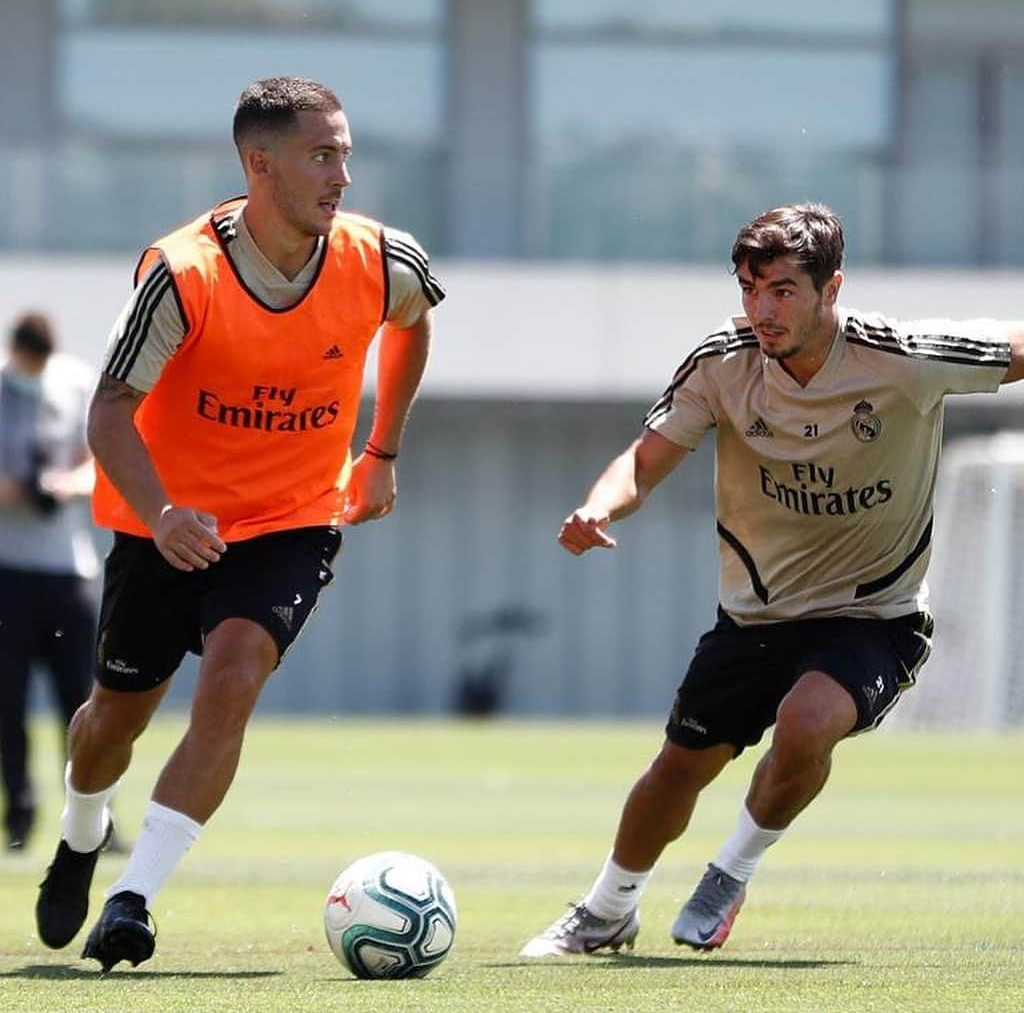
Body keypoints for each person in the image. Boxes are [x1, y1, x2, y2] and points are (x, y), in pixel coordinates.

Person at [520, 202, 1024, 958]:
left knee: (807, 720)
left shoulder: (902, 355)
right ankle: (606, 909)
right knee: (678, 767)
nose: (763, 310)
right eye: (750, 289)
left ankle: (731, 871)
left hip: (875, 617)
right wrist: (599, 507)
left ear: (832, 289)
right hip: (755, 617)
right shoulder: (723, 364)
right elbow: (645, 459)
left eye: (784, 290)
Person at [34, 76, 443, 973]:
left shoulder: (385, 260)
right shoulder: (182, 273)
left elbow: (412, 327)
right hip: (165, 527)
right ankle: (80, 830)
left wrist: (380, 454)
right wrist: (164, 513)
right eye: (321, 155)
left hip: (293, 517)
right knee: (112, 723)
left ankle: (133, 898)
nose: (342, 174)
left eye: (345, 152)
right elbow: (109, 413)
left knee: (236, 670)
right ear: (260, 165)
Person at [0, 313, 99, 851]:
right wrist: (14, 491)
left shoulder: (75, 382)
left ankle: (89, 820)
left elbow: (97, 462)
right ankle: (18, 811)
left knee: (81, 704)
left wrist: (62, 485)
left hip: (66, 571)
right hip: (7, 570)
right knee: (7, 704)